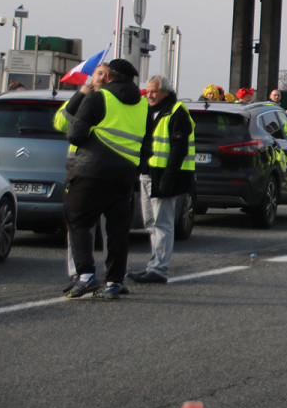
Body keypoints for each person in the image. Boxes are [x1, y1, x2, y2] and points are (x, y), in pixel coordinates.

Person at [63, 59, 148, 299]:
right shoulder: (142, 105)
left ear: (109, 77)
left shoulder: (98, 98)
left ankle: (87, 276)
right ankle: (113, 283)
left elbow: (75, 135)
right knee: (118, 231)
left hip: (91, 172)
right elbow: (147, 145)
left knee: (77, 221)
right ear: (132, 80)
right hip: (124, 176)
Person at [130, 75, 195, 284]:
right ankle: (153, 264)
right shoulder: (148, 111)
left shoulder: (177, 112)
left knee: (162, 223)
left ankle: (159, 269)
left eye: (154, 91)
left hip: (166, 176)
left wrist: (169, 177)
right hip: (148, 174)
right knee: (150, 222)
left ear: (165, 92)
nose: (149, 94)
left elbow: (179, 149)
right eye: (148, 91)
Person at [53, 62, 110, 292]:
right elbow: (59, 123)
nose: (103, 78)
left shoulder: (113, 102)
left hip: (107, 170)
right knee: (77, 225)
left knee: (109, 227)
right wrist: (79, 96)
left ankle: (110, 274)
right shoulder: (81, 98)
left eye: (107, 75)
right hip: (78, 169)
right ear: (91, 76)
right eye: (99, 73)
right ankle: (78, 272)